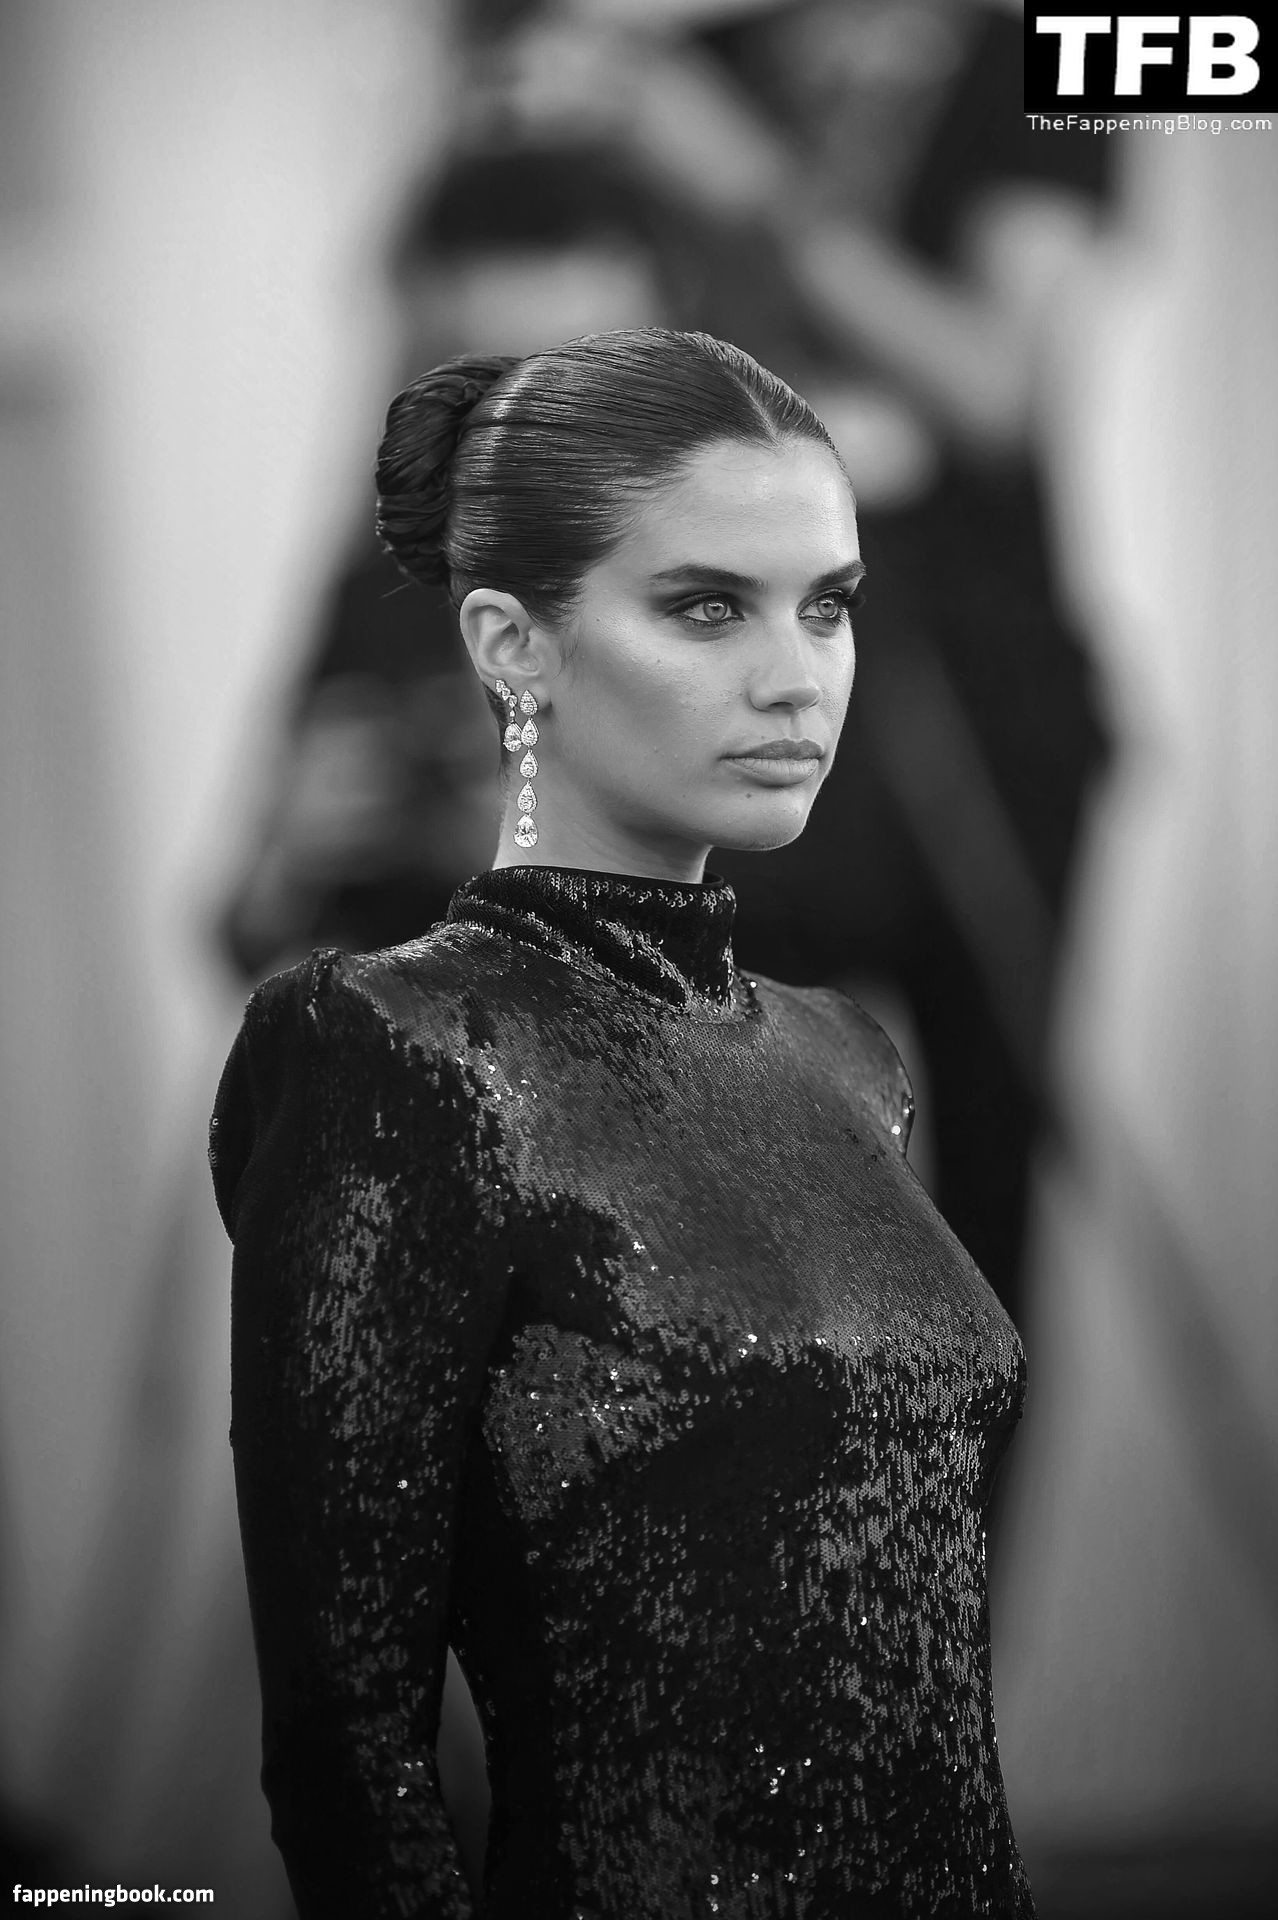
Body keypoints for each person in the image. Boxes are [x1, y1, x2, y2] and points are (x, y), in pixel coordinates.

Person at [209, 329, 1035, 1919]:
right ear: (512, 646)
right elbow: (346, 1754)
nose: (796, 675)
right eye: (706, 606)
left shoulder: (844, 1059)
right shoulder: (391, 1051)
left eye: (827, 604)